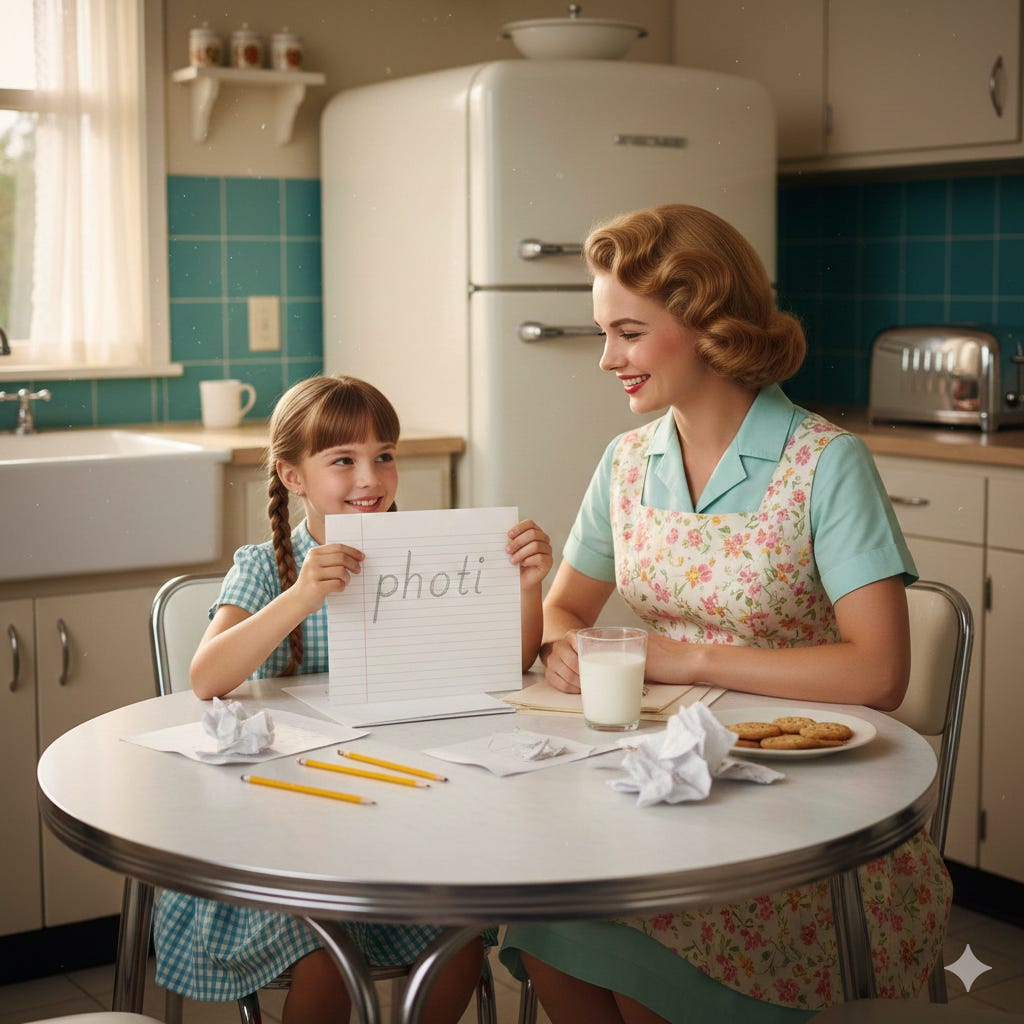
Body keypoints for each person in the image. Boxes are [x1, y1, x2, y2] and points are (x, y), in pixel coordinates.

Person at [499, 205, 952, 1023]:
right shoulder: (628, 462)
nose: (607, 359)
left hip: (803, 825)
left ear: (709, 325)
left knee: (645, 961)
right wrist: (570, 648)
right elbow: (565, 606)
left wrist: (687, 658)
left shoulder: (825, 462)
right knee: (540, 918)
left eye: (629, 333)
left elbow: (880, 672)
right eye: (605, 333)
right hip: (663, 791)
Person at [155, 374, 552, 1024]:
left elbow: (505, 666)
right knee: (325, 956)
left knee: (457, 935)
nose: (370, 477)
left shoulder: (425, 557)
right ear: (293, 475)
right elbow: (206, 679)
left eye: (384, 456)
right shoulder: (269, 567)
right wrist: (301, 597)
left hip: (399, 807)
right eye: (343, 460)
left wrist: (529, 589)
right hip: (285, 827)